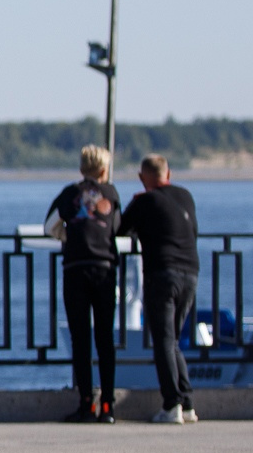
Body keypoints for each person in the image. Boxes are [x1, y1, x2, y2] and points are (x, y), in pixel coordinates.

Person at [119, 154, 201, 425]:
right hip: (190, 272)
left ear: (143, 178)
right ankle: (186, 401)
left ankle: (172, 404)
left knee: (164, 340)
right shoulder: (186, 195)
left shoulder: (145, 201)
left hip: (162, 273)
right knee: (173, 339)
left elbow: (121, 229)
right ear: (169, 173)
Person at [47, 145, 123, 424]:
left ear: (82, 168)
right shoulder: (112, 194)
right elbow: (117, 226)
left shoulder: (69, 193)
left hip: (75, 269)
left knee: (81, 339)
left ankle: (85, 405)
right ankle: (108, 407)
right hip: (104, 269)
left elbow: (49, 225)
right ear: (104, 170)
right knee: (105, 339)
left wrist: (68, 235)